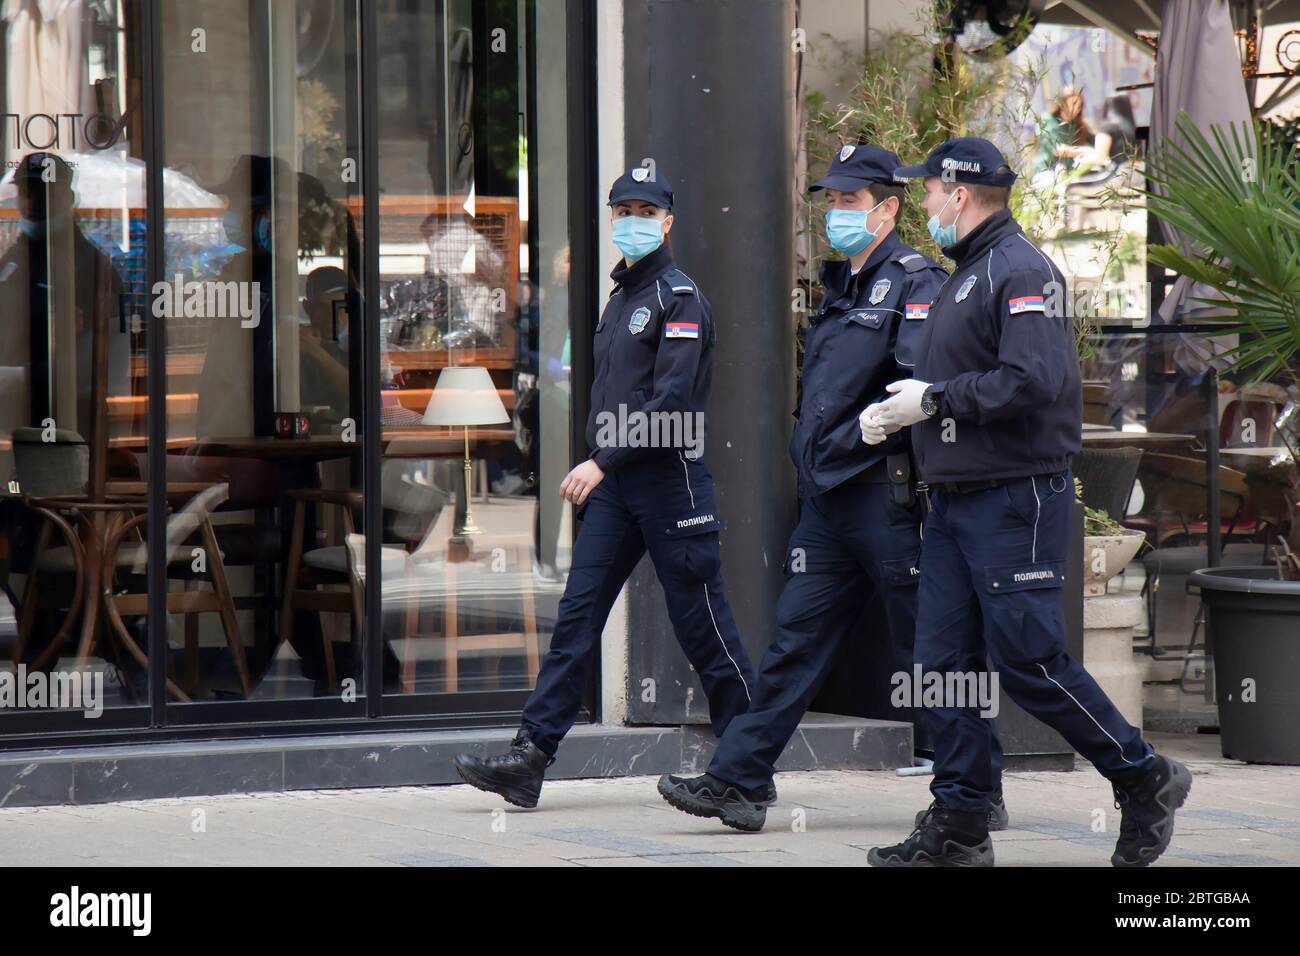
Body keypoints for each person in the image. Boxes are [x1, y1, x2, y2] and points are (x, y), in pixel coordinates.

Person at [655, 143, 1009, 833]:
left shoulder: (915, 283)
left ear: (889, 208)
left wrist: (860, 443)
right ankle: (740, 782)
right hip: (829, 502)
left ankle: (978, 788)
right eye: (832, 201)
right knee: (793, 642)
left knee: (933, 650)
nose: (835, 213)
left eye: (849, 201)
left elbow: (912, 397)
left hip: (888, 498)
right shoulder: (841, 287)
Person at [862, 137, 1191, 867]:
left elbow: (1035, 380)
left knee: (1030, 660)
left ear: (961, 192)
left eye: (929, 191)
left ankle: (1144, 777)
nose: (924, 204)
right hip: (954, 500)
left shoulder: (1018, 269)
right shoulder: (969, 271)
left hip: (1014, 499)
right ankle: (960, 821)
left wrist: (935, 399)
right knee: (942, 665)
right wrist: (902, 412)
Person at [453, 166, 756, 808]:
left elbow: (672, 401)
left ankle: (748, 773)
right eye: (624, 210)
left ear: (668, 222)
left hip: (669, 483)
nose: (633, 221)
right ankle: (530, 757)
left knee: (705, 630)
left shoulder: (680, 299)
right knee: (577, 616)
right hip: (621, 486)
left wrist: (601, 460)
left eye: (647, 211)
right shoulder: (621, 297)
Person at [1032, 86, 1092, 174]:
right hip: (1046, 172)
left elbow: (1092, 142)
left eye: (1079, 106)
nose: (1076, 109)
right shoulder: (1046, 120)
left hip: (1068, 174)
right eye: (1074, 104)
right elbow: (1056, 149)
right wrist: (1084, 150)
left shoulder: (1077, 126)